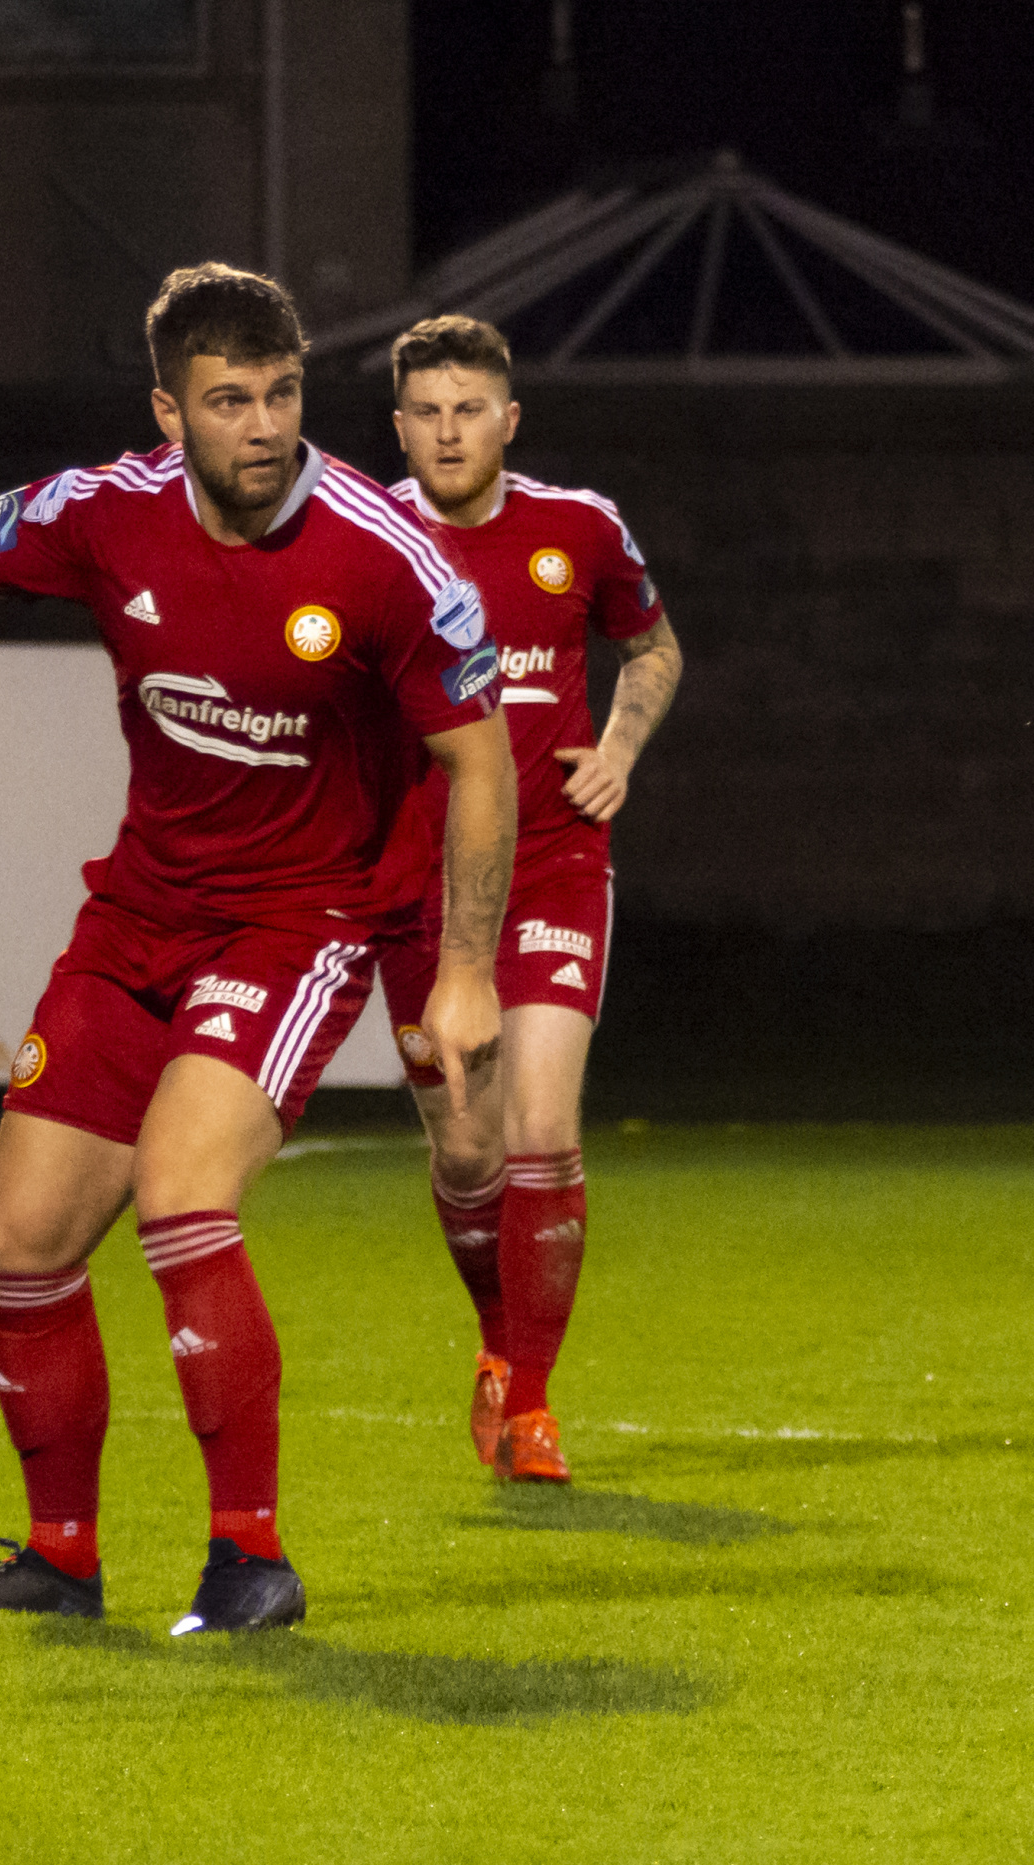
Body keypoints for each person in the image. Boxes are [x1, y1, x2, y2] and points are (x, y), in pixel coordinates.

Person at [0, 265, 514, 1634]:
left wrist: (461, 970)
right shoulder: (106, 511)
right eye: (228, 401)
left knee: (180, 1193)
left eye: (282, 394)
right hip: (138, 917)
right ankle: (60, 1560)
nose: (263, 426)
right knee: (21, 1241)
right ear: (169, 412)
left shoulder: (385, 556)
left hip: (298, 923)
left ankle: (248, 1559)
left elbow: (482, 762)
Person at [370, 316, 683, 1482]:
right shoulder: (363, 538)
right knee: (467, 1154)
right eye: (426, 413)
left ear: (509, 419)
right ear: (400, 426)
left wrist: (619, 749)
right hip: (416, 883)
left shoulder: (579, 527)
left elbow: (654, 648)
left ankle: (535, 1404)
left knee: (542, 1130)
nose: (448, 432)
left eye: (469, 410)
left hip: (554, 861)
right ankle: (499, 1340)